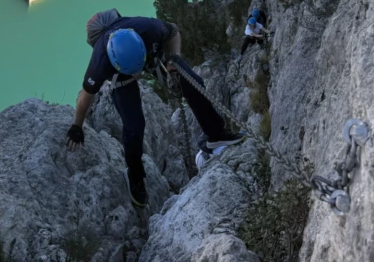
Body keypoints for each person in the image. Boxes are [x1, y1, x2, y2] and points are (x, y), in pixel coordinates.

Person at [65, 10, 246, 207]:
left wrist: (174, 58)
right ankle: (134, 175)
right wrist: (77, 126)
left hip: (147, 53)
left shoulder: (149, 29)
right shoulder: (101, 62)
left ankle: (216, 134)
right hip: (121, 72)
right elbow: (86, 95)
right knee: (134, 126)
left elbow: (174, 32)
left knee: (193, 83)